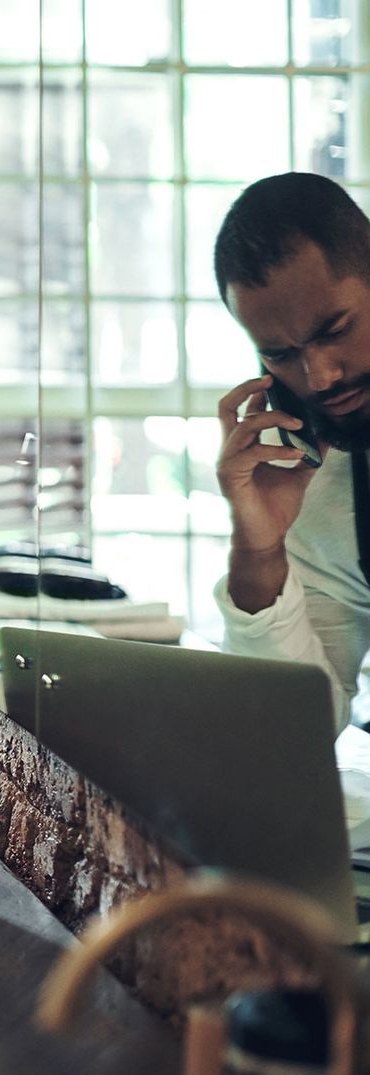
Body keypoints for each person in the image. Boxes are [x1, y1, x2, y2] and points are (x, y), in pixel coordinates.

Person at [213, 170, 370, 731]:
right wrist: (260, 553)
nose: (321, 378)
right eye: (280, 355)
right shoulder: (327, 479)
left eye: (335, 329)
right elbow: (292, 729)